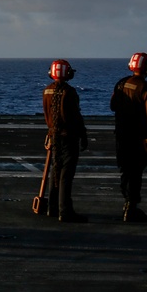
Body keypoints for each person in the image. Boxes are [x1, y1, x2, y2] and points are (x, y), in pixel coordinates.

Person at [110, 51, 147, 222]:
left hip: (121, 136)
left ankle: (127, 202)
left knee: (125, 170)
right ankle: (131, 207)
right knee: (135, 171)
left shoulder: (121, 84)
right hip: (138, 138)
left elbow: (113, 106)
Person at [42, 59, 88, 223]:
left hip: (54, 136)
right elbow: (76, 116)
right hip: (68, 137)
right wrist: (83, 135)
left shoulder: (47, 91)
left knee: (55, 170)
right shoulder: (69, 92)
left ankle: (52, 208)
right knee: (66, 175)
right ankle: (65, 211)